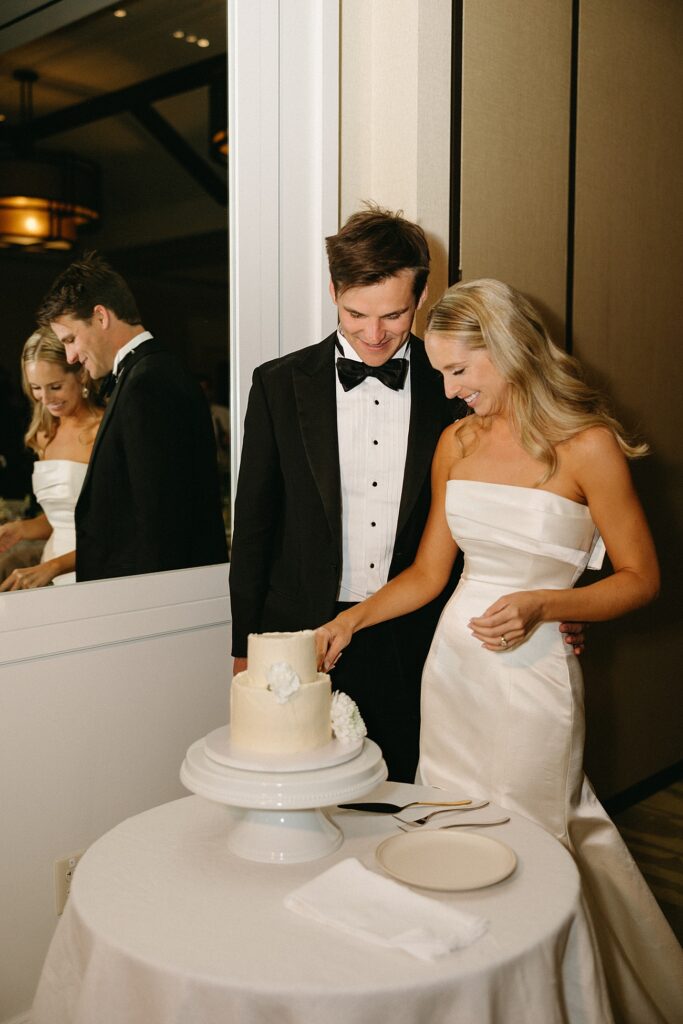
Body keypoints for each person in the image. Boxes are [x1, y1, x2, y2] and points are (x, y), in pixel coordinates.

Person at [318, 278, 682, 1023]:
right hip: (452, 674)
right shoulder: (456, 443)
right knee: (449, 835)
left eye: (459, 371)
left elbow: (640, 578)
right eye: (441, 372)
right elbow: (426, 574)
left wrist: (548, 603)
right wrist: (349, 623)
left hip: (533, 678)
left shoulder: (588, 447)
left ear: (508, 349)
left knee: (532, 846)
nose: (449, 391)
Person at [229, 205, 582, 782]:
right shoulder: (277, 383)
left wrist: (562, 607)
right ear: (333, 290)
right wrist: (247, 649)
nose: (373, 335)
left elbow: (532, 504)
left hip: (422, 636)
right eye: (355, 313)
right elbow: (256, 526)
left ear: (421, 297)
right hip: (301, 635)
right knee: (301, 795)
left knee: (411, 802)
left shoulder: (462, 385)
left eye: (393, 315)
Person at [35, 252, 228, 582]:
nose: (71, 356)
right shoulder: (146, 373)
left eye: (70, 339)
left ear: (100, 316)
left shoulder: (148, 383)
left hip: (152, 595)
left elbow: (160, 523)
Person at [0, 327, 103, 590]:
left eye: (55, 387)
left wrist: (54, 567)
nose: (45, 399)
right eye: (36, 388)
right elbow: (64, 519)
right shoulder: (45, 434)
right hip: (50, 571)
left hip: (95, 572)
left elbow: (114, 529)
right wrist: (20, 529)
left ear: (81, 375)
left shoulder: (104, 430)